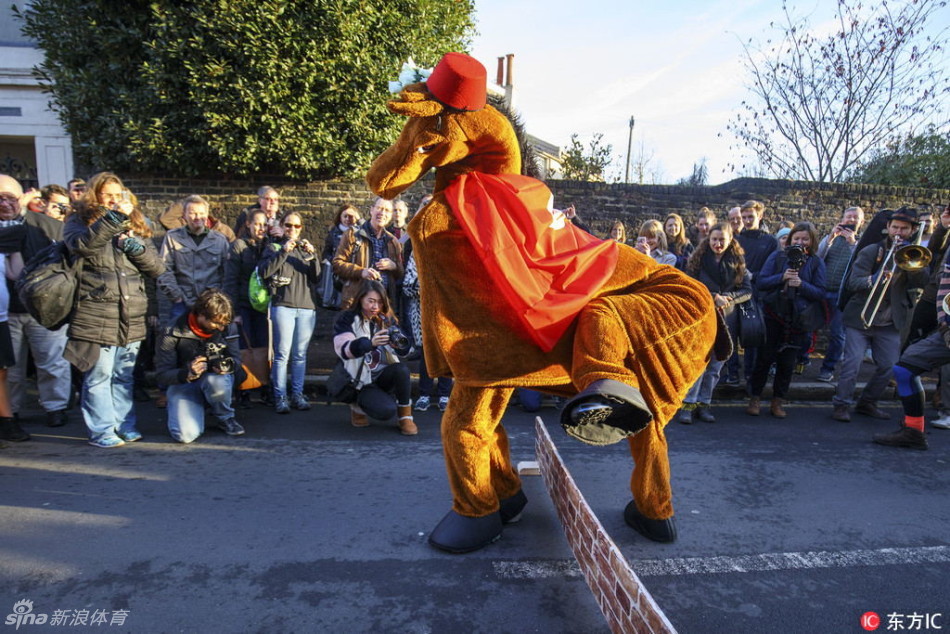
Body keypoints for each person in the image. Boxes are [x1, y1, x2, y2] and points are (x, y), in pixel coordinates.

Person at [63, 172, 164, 448]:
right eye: (107, 194)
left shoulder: (137, 223)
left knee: (123, 375)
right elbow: (81, 246)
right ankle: (102, 430)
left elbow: (156, 268)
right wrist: (113, 219)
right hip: (96, 313)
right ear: (95, 195)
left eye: (117, 195)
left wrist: (135, 248)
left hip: (131, 313)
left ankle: (124, 424)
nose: (112, 199)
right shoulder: (78, 221)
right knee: (99, 375)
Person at [831, 207, 927, 422]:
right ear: (887, 227)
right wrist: (875, 279)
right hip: (861, 319)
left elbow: (922, 282)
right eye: (895, 227)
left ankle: (867, 402)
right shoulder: (871, 251)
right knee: (852, 365)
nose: (898, 233)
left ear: (911, 231)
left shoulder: (914, 254)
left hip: (890, 322)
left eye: (903, 229)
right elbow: (853, 282)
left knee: (889, 367)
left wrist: (913, 266)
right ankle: (841, 404)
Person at [747, 222, 826, 418]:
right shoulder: (777, 256)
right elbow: (762, 282)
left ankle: (777, 402)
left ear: (812, 241)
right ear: (790, 240)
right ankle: (754, 398)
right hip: (774, 315)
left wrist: (802, 285)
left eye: (805, 239)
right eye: (797, 238)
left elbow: (821, 292)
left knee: (787, 364)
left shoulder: (816, 262)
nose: (800, 242)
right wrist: (781, 278)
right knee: (763, 360)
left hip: (799, 320)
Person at [678, 223, 751, 423]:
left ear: (730, 241)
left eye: (722, 240)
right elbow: (688, 288)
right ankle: (687, 404)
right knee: (698, 365)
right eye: (714, 239)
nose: (718, 244)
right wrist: (712, 297)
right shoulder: (697, 259)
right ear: (708, 239)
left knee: (715, 368)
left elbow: (747, 290)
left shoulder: (737, 261)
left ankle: (704, 404)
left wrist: (728, 298)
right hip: (702, 318)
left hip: (727, 319)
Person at [152, 289, 244, 443]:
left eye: (224, 324)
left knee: (217, 381)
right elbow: (162, 375)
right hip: (183, 382)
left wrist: (226, 367)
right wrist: (187, 374)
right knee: (185, 436)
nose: (220, 328)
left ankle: (225, 417)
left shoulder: (227, 326)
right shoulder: (172, 331)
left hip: (215, 379)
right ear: (201, 315)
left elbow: (237, 360)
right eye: (216, 323)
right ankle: (194, 406)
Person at [257, 210, 320, 414]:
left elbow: (317, 277)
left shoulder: (304, 250)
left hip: (306, 307)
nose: (292, 229)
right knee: (282, 354)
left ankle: (298, 394)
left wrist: (313, 257)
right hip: (283, 305)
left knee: (300, 355)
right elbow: (265, 272)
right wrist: (283, 252)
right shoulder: (273, 247)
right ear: (282, 227)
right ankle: (280, 397)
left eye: (296, 226)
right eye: (288, 225)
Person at [333, 280, 415, 434]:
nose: (375, 307)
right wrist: (370, 344)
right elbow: (343, 349)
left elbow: (408, 350)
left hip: (381, 375)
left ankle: (405, 417)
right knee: (386, 411)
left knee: (402, 370)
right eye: (370, 301)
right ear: (360, 299)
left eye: (379, 302)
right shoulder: (347, 319)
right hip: (359, 381)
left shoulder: (386, 319)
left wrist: (399, 346)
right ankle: (357, 407)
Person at [224, 209, 272, 408]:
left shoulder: (269, 246)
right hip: (243, 305)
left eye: (264, 225)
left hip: (262, 305)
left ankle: (263, 387)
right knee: (243, 349)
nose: (261, 228)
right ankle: (243, 390)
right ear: (248, 225)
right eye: (257, 224)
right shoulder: (238, 246)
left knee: (263, 347)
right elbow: (230, 280)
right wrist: (233, 312)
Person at [158, 195, 230, 324]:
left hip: (211, 303)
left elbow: (227, 273)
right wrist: (176, 296)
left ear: (207, 214)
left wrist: (219, 296)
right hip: (182, 301)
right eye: (192, 213)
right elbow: (163, 269)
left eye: (201, 213)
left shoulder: (220, 240)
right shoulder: (173, 237)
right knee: (175, 340)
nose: (197, 217)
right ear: (184, 215)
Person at [815, 206, 865, 382]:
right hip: (821, 291)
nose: (851, 220)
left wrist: (852, 243)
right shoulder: (831, 238)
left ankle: (827, 369)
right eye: (848, 216)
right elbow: (818, 257)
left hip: (841, 295)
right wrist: (830, 237)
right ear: (842, 219)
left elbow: (858, 263)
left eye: (855, 218)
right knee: (807, 327)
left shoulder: (862, 244)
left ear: (861, 222)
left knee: (837, 334)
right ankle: (802, 360)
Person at [332, 197, 404, 310]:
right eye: (379, 208)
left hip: (383, 305)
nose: (382, 213)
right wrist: (361, 272)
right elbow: (337, 264)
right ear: (371, 210)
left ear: (390, 216)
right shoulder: (353, 234)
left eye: (387, 210)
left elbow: (401, 273)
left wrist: (394, 266)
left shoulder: (393, 241)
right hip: (356, 303)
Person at [403, 252, 453, 412]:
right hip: (422, 313)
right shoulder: (417, 253)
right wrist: (427, 282)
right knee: (427, 354)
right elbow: (407, 287)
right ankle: (424, 395)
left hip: (446, 313)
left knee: (445, 353)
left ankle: (444, 395)